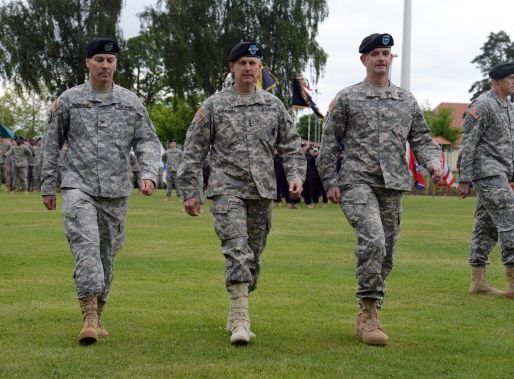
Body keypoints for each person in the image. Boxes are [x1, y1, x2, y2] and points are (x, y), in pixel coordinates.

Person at [317, 33, 442, 346]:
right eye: (375, 54)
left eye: (386, 53)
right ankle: (371, 314)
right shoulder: (347, 98)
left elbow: (422, 140)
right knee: (373, 240)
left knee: (386, 253)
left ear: (391, 58)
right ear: (364, 60)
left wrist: (434, 164)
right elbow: (328, 143)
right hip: (356, 181)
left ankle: (365, 311)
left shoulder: (406, 101)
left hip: (392, 184)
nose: (381, 59)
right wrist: (330, 181)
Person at [177, 41, 306, 345]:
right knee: (236, 250)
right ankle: (241, 322)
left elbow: (291, 146)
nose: (248, 68)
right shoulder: (214, 105)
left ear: (261, 68)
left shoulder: (273, 106)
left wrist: (295, 176)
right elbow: (193, 151)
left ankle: (236, 310)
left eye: (254, 63)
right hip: (226, 190)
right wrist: (191, 192)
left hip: (261, 192)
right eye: (243, 63)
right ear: (232, 67)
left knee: (253, 258)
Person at [41, 37, 161, 345]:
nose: (105, 65)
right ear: (88, 63)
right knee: (87, 245)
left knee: (107, 253)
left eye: (110, 61)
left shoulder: (130, 101)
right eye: (99, 60)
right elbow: (51, 143)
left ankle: (99, 311)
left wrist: (148, 173)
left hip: (116, 190)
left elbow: (147, 141)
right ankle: (89, 318)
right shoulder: (69, 100)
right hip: (77, 186)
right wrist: (47, 185)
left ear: (116, 64)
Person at [456, 63, 514, 300]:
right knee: (512, 220)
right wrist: (463, 178)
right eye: (512, 78)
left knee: (486, 227)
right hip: (487, 173)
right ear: (496, 81)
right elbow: (468, 144)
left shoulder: (509, 108)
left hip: (502, 173)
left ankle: (478, 281)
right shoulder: (483, 105)